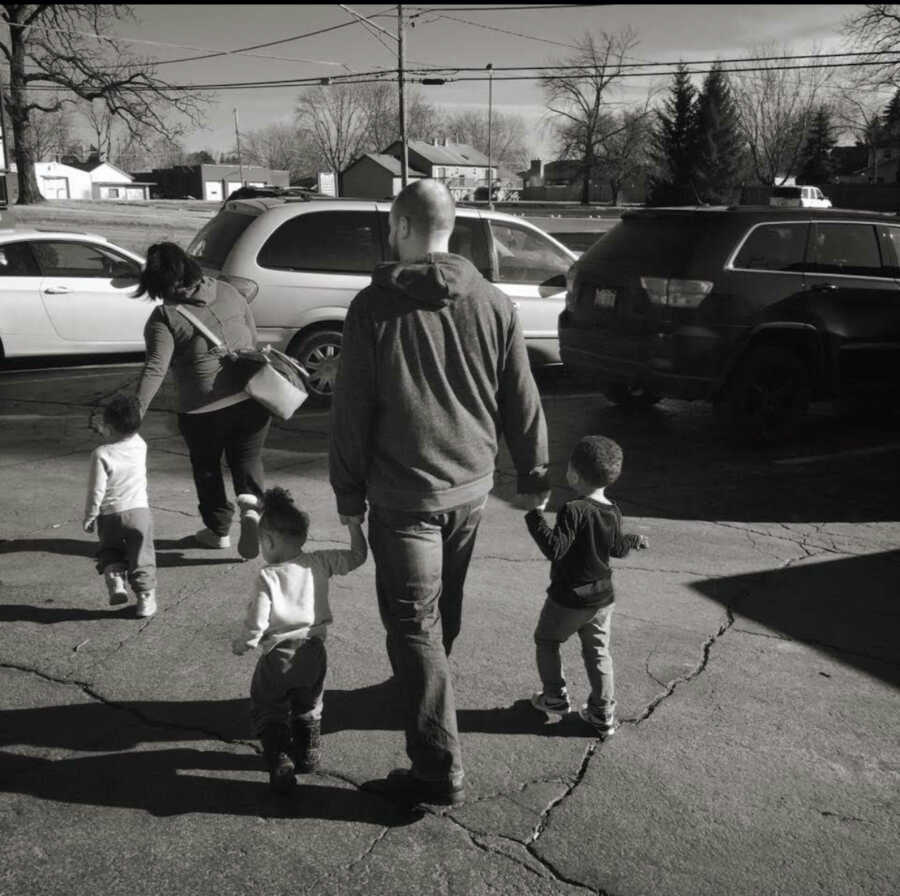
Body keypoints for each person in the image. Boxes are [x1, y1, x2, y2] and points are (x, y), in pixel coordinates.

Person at [329, 178, 550, 808]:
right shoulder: (495, 303)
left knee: (413, 625)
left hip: (405, 499)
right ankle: (427, 690)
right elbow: (522, 397)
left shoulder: (373, 308)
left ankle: (436, 765)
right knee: (437, 610)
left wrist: (348, 498)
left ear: (401, 228)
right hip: (471, 491)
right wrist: (534, 474)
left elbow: (351, 413)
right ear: (449, 231)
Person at [133, 242, 266, 560]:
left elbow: (156, 367)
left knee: (207, 469)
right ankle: (251, 508)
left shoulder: (164, 316)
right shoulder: (229, 290)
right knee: (247, 461)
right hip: (252, 397)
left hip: (202, 409)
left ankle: (218, 531)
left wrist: (134, 414)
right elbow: (251, 337)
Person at [231, 486, 367, 794]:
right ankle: (308, 754)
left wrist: (247, 641)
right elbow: (358, 557)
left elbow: (259, 616)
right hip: (314, 650)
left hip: (279, 653)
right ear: (302, 537)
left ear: (268, 541)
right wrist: (355, 526)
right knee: (310, 702)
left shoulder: (269, 576)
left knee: (269, 707)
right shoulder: (320, 561)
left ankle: (281, 758)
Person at [525, 435, 648, 737]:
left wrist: (535, 514)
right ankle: (602, 712)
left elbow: (555, 548)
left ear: (574, 475)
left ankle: (554, 696)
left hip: (568, 599)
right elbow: (617, 549)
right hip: (602, 598)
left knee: (547, 641)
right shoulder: (613, 510)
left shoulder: (574, 509)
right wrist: (631, 540)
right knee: (598, 652)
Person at [83, 393, 157, 618]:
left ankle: (115, 580)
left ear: (110, 428)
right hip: (139, 513)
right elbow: (125, 432)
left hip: (110, 515)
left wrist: (90, 515)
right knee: (142, 555)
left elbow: (96, 489)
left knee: (111, 550)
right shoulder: (140, 444)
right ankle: (145, 599)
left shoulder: (101, 454)